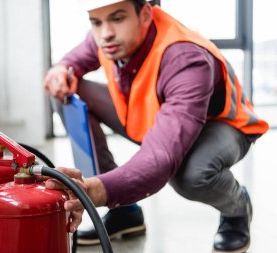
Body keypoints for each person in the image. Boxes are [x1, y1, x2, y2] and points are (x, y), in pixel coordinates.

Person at [44, 0, 269, 252]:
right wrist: (60, 69)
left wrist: (93, 191)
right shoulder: (107, 38)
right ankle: (124, 214)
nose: (105, 32)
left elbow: (161, 156)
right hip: (159, 115)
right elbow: (77, 56)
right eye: (96, 22)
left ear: (145, 14)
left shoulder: (186, 58)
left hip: (222, 124)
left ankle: (237, 207)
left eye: (118, 18)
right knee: (63, 88)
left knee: (191, 175)